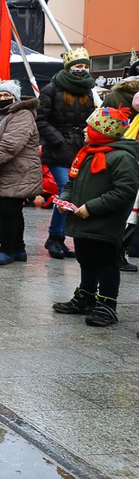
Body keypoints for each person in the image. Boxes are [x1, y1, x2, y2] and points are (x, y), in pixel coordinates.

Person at [52, 107, 139, 327]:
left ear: (102, 132)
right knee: (86, 260)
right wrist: (66, 198)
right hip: (83, 220)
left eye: (89, 127)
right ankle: (86, 297)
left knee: (106, 264)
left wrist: (91, 207)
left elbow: (124, 191)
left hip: (105, 222)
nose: (83, 130)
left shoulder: (121, 157)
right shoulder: (87, 153)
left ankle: (107, 305)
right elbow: (72, 181)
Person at [37, 47, 96, 260]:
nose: (82, 70)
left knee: (73, 192)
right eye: (78, 66)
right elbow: (41, 119)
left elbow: (89, 117)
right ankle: (55, 236)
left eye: (85, 66)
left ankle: (58, 238)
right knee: (65, 191)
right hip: (58, 149)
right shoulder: (51, 89)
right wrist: (58, 140)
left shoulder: (88, 90)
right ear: (69, 68)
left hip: (80, 147)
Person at [0, 80, 43, 266]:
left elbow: (10, 145)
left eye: (7, 95)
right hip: (9, 169)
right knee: (12, 211)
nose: (3, 98)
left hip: (18, 170)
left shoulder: (21, 115)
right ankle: (18, 249)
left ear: (15, 97)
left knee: (8, 210)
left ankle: (7, 249)